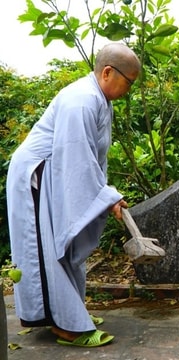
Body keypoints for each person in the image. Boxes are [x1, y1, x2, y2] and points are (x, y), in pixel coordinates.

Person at [6, 43, 141, 347]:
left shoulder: (98, 99)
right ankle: (64, 324)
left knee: (65, 246)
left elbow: (92, 159)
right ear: (108, 72)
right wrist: (106, 197)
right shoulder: (81, 100)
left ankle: (70, 313)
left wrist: (106, 195)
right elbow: (77, 157)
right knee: (47, 248)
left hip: (56, 172)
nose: (129, 89)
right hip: (38, 176)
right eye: (129, 81)